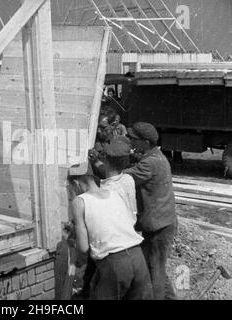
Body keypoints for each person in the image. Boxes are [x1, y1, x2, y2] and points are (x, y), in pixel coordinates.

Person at [69, 141, 153, 300]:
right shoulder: (114, 191)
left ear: (76, 182)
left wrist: (75, 235)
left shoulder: (79, 202)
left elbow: (83, 247)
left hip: (115, 264)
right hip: (137, 255)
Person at [124, 122, 177, 300]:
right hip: (161, 224)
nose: (129, 140)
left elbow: (122, 177)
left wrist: (101, 164)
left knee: (156, 271)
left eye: (133, 138)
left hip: (159, 228)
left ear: (145, 142)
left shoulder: (150, 163)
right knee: (155, 268)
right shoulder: (157, 157)